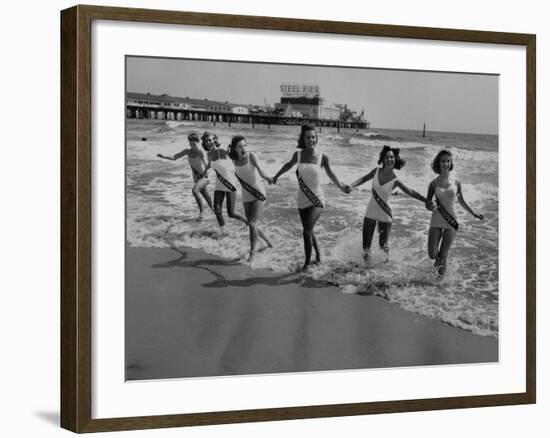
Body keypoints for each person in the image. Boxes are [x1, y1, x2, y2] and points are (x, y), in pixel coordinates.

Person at [272, 124, 351, 272]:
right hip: (302, 199)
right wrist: (276, 176)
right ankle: (319, 256)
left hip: (317, 199)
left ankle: (307, 264)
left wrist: (341, 186)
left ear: (317, 138)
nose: (311, 140)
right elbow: (288, 166)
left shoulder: (323, 157)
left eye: (313, 137)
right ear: (303, 139)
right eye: (308, 137)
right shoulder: (299, 155)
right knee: (310, 230)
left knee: (306, 231)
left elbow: (331, 174)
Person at [350, 145, 429, 266]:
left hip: (385, 214)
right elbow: (364, 178)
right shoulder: (376, 171)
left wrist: (426, 200)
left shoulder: (395, 180)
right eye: (387, 157)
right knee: (366, 246)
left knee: (384, 246)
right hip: (370, 211)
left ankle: (385, 267)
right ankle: (367, 268)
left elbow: (411, 191)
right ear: (383, 159)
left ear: (395, 159)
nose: (389, 159)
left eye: (392, 157)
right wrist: (351, 186)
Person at [426, 149, 484, 276]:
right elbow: (427, 203)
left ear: (451, 163)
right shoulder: (433, 184)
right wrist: (431, 206)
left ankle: (439, 281)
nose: (445, 163)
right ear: (438, 163)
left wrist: (473, 213)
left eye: (448, 161)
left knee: (443, 255)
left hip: (451, 221)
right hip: (436, 219)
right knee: (432, 254)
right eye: (443, 161)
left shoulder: (456, 182)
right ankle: (438, 272)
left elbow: (462, 201)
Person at [228, 135, 273, 262]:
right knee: (251, 224)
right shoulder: (232, 160)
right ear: (234, 149)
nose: (243, 148)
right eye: (240, 146)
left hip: (258, 193)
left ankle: (252, 253)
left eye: (244, 145)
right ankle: (269, 243)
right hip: (246, 195)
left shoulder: (251, 156)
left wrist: (267, 178)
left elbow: (261, 170)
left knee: (252, 223)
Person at [156, 131, 213, 220]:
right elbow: (175, 157)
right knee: (207, 197)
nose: (192, 146)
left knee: (195, 190)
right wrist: (163, 156)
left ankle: (202, 212)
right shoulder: (187, 151)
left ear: (198, 142)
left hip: (204, 177)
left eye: (194, 144)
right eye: (190, 143)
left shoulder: (201, 152)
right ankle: (216, 213)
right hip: (196, 178)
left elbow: (206, 165)